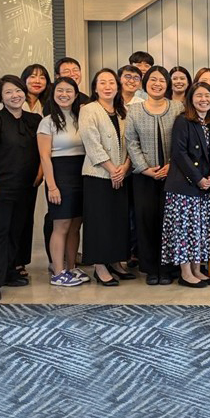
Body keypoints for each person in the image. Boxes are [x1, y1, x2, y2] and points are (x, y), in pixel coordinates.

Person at [0, 75, 43, 302]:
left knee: (18, 230)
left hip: (26, 187)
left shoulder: (33, 120)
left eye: (18, 91)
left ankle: (9, 272)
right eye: (8, 92)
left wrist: (39, 175)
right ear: (1, 97)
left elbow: (43, 150)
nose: (15, 95)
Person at [125, 66, 185, 285]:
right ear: (145, 83)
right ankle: (151, 269)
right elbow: (131, 142)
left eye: (161, 80)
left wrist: (171, 165)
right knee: (146, 220)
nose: (157, 84)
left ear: (167, 84)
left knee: (169, 222)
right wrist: (145, 168)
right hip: (144, 176)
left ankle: (169, 268)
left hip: (173, 174)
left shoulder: (178, 107)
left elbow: (182, 140)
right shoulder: (135, 110)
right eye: (153, 80)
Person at [161, 82, 210, 288]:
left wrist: (209, 177)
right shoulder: (183, 121)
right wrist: (199, 179)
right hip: (183, 186)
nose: (204, 99)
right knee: (183, 231)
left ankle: (196, 268)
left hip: (201, 185)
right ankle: (185, 273)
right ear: (191, 99)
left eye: (208, 96)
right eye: (199, 96)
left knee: (198, 230)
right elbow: (179, 154)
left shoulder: (208, 123)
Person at [79, 68, 132, 286]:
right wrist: (112, 169)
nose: (108, 86)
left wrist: (125, 167)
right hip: (98, 175)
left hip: (122, 173)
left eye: (112, 82)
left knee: (118, 221)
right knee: (99, 222)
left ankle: (116, 262)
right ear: (95, 87)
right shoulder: (89, 109)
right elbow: (91, 143)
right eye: (102, 83)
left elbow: (131, 142)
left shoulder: (123, 111)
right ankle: (100, 267)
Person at [37, 76, 87, 287]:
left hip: (81, 173)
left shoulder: (81, 117)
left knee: (76, 224)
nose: (64, 94)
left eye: (69, 91)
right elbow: (44, 156)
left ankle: (72, 267)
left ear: (76, 95)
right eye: (60, 90)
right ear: (53, 94)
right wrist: (52, 186)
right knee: (61, 225)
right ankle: (58, 271)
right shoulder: (47, 121)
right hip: (60, 175)